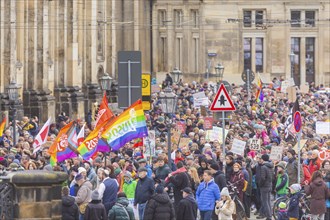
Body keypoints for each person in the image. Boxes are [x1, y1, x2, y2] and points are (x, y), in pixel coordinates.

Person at [256, 154, 274, 220]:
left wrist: (260, 184)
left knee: (265, 202)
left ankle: (269, 216)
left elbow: (263, 178)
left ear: (263, 159)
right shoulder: (271, 166)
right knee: (268, 201)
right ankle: (269, 215)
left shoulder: (263, 167)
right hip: (269, 185)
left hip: (264, 186)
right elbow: (273, 176)